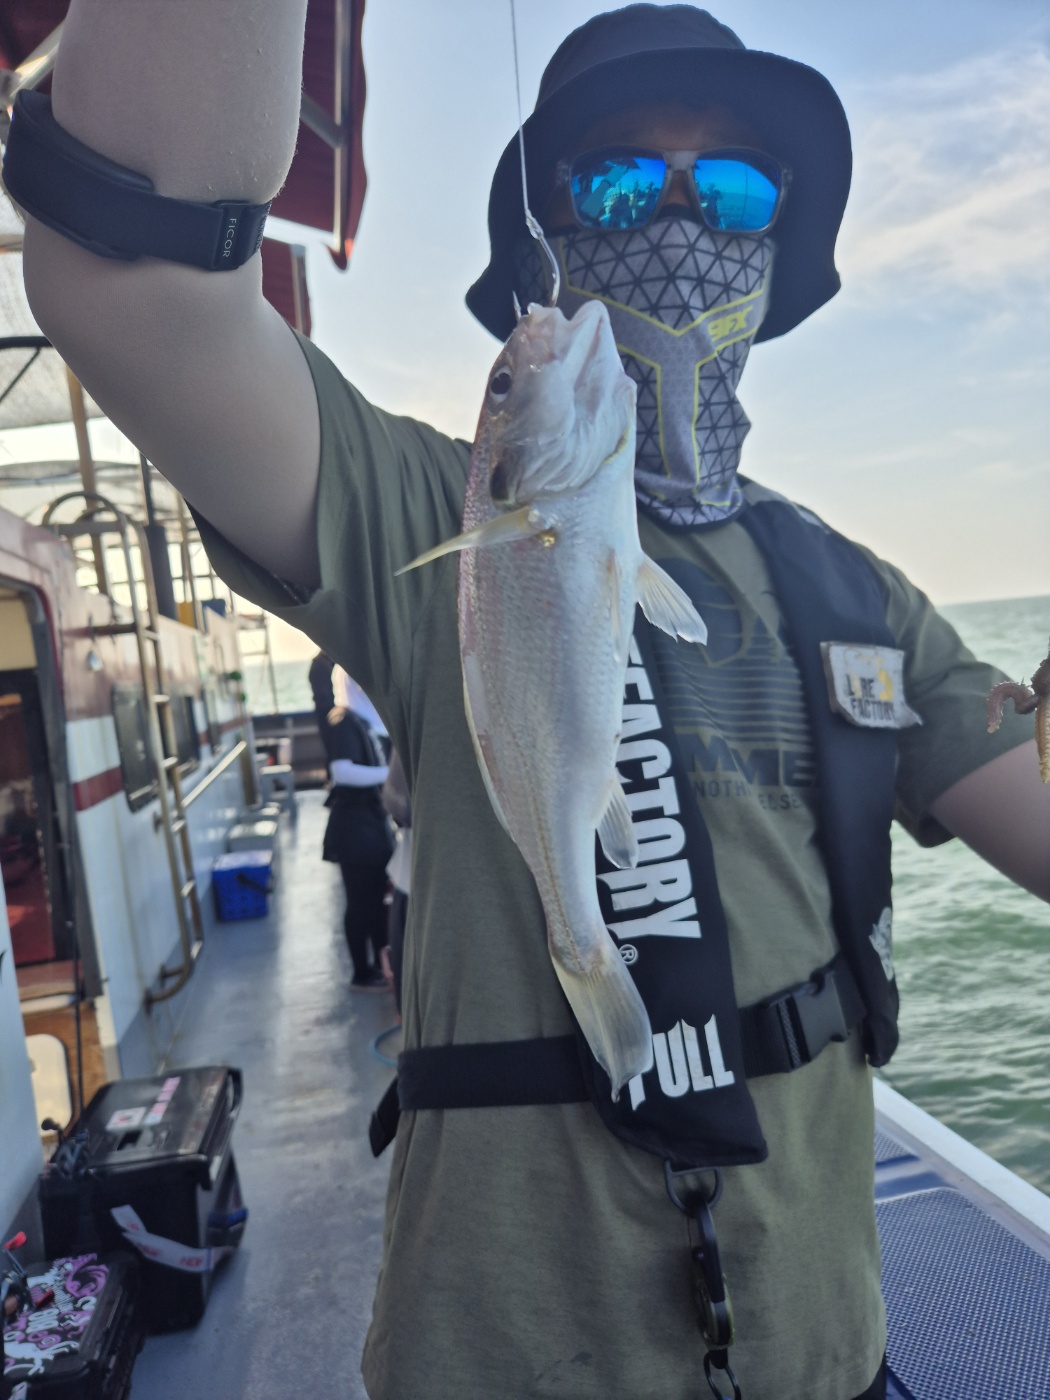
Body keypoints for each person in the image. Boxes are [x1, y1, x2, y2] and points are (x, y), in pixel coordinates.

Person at [15, 5, 1050, 1397]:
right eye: (617, 182)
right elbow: (125, 279)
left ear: (777, 240)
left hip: (824, 1350)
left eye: (733, 187)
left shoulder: (863, 597)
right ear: (546, 235)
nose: (679, 219)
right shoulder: (436, 512)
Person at [319, 666, 393, 991]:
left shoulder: (365, 722)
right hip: (355, 831)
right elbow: (342, 771)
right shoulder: (344, 721)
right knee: (360, 903)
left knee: (375, 902)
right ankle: (361, 973)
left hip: (371, 827)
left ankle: (380, 965)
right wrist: (390, 776)